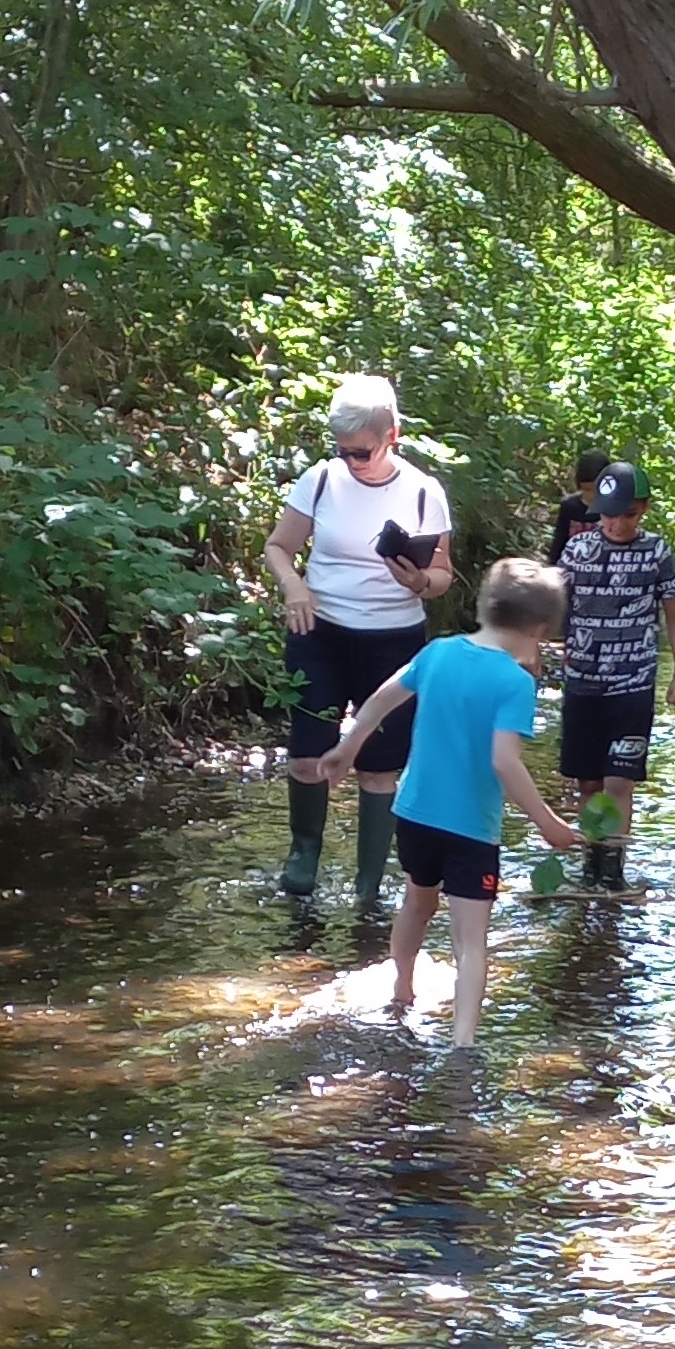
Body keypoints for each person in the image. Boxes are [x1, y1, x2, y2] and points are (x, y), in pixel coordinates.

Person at [316, 559, 579, 1047]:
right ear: (540, 629)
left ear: (485, 607)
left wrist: (347, 749)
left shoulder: (438, 652)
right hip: (471, 828)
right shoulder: (515, 683)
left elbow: (380, 699)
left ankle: (401, 991)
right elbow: (504, 762)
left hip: (414, 813)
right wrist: (547, 822)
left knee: (417, 903)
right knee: (470, 940)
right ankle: (463, 1042)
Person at [264, 374, 455, 906]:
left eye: (361, 452)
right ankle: (304, 855)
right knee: (308, 753)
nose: (351, 461)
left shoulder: (424, 491)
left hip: (394, 641)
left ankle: (368, 884)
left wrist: (420, 581)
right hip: (319, 632)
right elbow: (278, 547)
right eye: (342, 450)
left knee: (379, 766)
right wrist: (294, 585)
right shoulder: (320, 480)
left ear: (392, 436)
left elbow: (444, 575)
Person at [556, 460, 675, 891]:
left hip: (634, 683)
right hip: (582, 682)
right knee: (589, 782)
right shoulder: (577, 551)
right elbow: (555, 605)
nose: (616, 524)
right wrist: (530, 650)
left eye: (628, 515)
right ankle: (590, 864)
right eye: (608, 515)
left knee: (619, 780)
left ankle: (613, 871)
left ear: (643, 509)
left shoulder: (657, 552)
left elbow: (673, 614)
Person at [547, 449, 613, 561]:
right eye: (587, 490)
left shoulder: (615, 508)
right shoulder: (570, 506)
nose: (592, 496)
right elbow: (559, 544)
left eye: (598, 490)